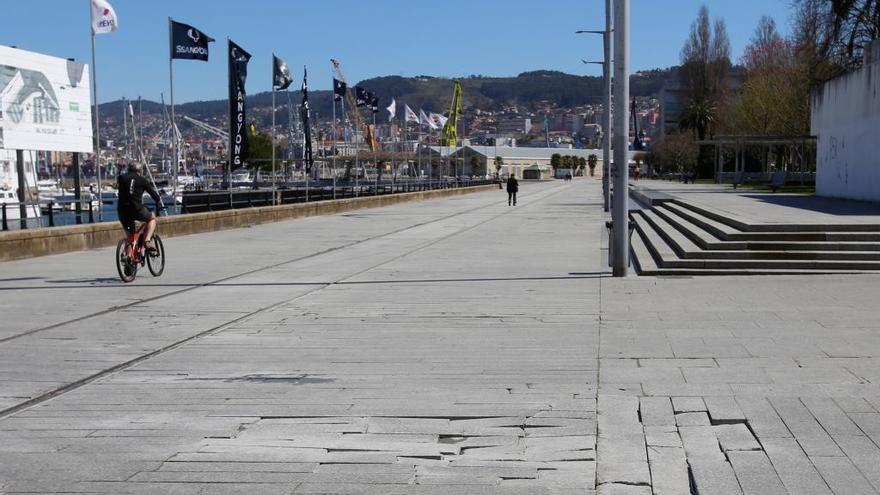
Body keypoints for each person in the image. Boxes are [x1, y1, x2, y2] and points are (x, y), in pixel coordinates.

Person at [117, 163, 162, 252]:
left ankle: (128, 259)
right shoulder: (142, 180)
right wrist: (158, 201)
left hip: (122, 210)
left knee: (130, 237)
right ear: (139, 171)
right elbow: (154, 195)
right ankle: (147, 241)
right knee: (151, 219)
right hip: (136, 209)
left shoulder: (121, 178)